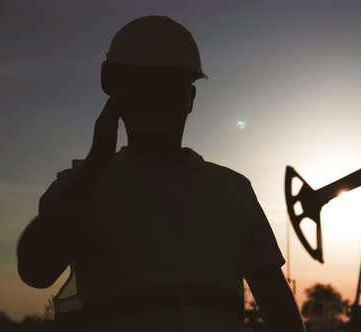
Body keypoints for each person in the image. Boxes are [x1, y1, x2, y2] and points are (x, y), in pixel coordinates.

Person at [16, 16, 304, 332]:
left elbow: (278, 306)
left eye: (168, 89)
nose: (157, 102)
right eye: (145, 89)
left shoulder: (233, 190)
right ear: (118, 101)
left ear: (190, 100)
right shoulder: (80, 187)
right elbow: (36, 270)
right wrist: (95, 165)